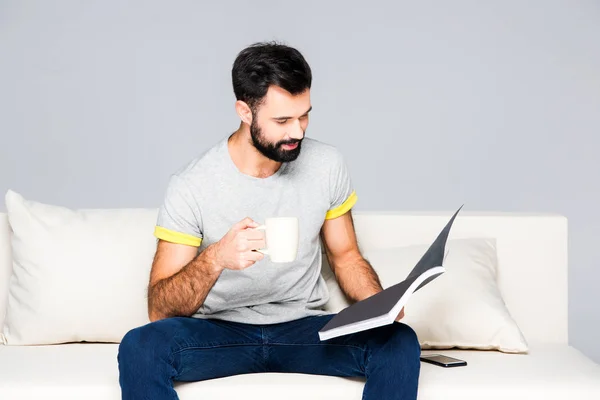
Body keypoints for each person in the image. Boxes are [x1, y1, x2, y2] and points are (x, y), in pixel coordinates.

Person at [117, 41, 420, 400]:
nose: (298, 132)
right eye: (282, 120)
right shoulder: (191, 185)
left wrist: (378, 304)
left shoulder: (327, 165)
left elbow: (346, 256)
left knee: (399, 341)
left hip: (304, 329)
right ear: (245, 111)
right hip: (219, 333)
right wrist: (215, 258)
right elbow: (160, 307)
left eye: (304, 115)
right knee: (141, 346)